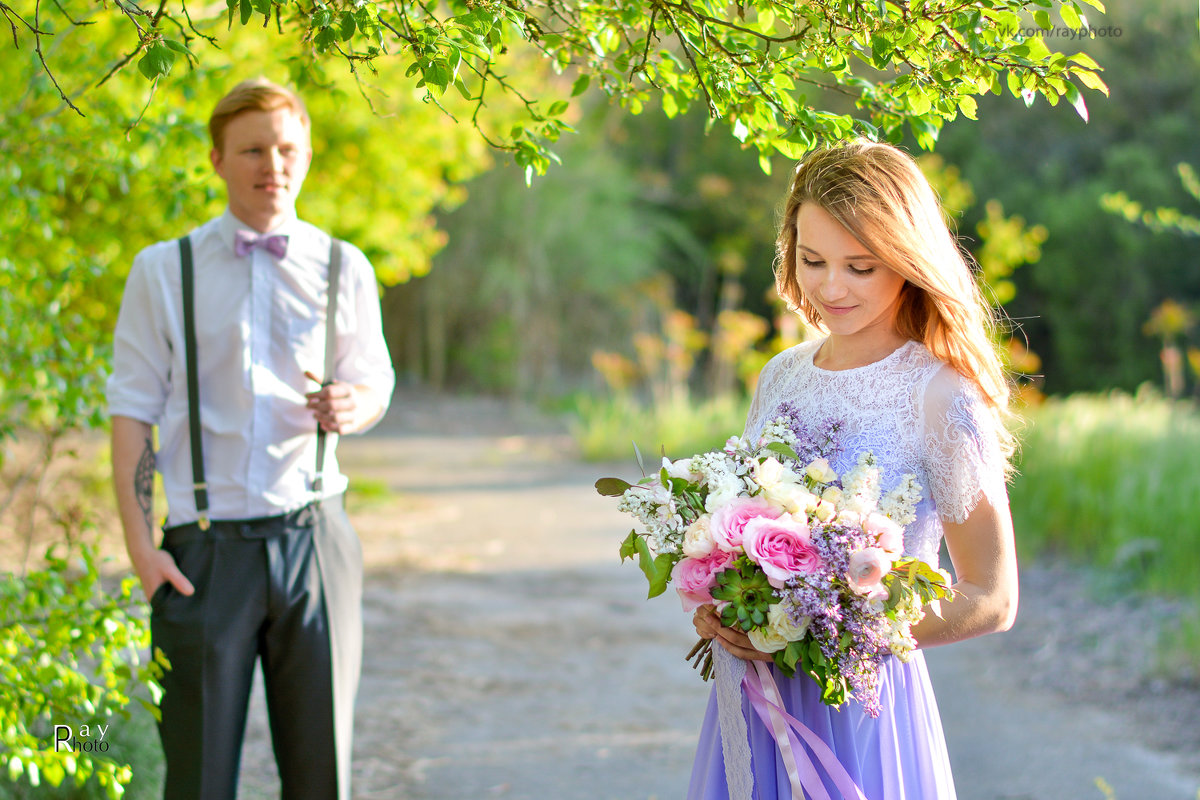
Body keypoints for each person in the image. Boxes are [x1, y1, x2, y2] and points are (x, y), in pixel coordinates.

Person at [688, 140, 1020, 799]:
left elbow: (993, 595)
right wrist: (724, 608)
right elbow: (747, 532)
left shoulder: (939, 395)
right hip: (757, 698)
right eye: (813, 260)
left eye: (860, 266)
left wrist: (837, 628)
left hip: (864, 705)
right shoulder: (781, 376)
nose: (831, 287)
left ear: (905, 262)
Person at [107, 77, 394, 800]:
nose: (274, 164)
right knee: (197, 778)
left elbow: (376, 383)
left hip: (316, 542)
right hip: (203, 550)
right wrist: (144, 554)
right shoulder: (162, 271)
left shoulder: (343, 266)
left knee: (319, 775)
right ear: (216, 160)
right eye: (254, 149)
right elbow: (131, 412)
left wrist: (353, 405)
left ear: (306, 156)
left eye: (288, 148)